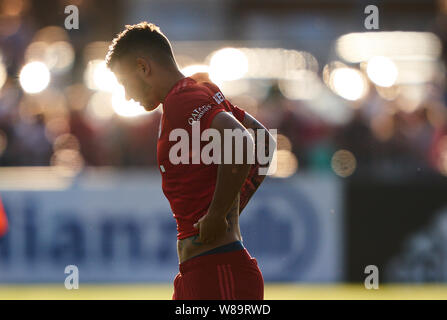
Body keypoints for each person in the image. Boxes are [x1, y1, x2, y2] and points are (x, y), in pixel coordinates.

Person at [105, 22, 275, 300]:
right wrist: (228, 209)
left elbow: (242, 140)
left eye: (124, 83)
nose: (126, 96)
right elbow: (265, 144)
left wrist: (220, 213)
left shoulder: (184, 99)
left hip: (219, 273)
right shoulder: (193, 93)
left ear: (143, 67)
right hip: (203, 271)